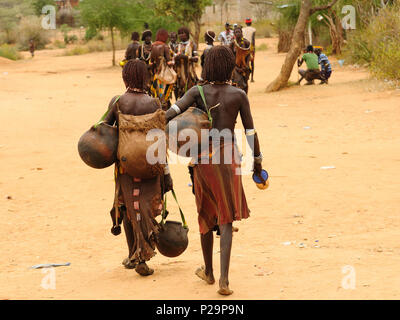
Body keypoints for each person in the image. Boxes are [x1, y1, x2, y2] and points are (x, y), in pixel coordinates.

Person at [165, 46, 265, 295]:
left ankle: (208, 272)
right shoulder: (238, 94)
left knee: (205, 214)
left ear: (207, 66)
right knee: (226, 217)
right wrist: (258, 161)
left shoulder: (196, 92)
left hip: (202, 160)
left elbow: (171, 113)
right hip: (229, 158)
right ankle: (224, 281)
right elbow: (250, 132)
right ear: (230, 67)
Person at [104, 59, 173, 276]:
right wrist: (167, 174)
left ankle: (132, 254)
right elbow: (161, 140)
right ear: (145, 77)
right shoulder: (154, 103)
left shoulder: (117, 102)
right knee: (147, 208)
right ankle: (144, 254)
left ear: (125, 78)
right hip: (151, 166)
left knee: (126, 207)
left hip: (125, 167)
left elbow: (104, 130)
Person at [149, 29, 174, 109]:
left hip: (155, 75)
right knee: (164, 97)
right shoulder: (165, 46)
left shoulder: (152, 46)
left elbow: (151, 62)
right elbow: (169, 63)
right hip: (164, 77)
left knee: (157, 95)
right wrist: (174, 61)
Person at [174, 26, 199, 98]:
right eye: (179, 33)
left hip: (189, 73)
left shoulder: (192, 44)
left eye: (183, 33)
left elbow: (196, 59)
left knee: (191, 90)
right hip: (179, 74)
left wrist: (186, 57)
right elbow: (173, 58)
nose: (181, 35)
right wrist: (176, 58)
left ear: (187, 34)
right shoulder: (177, 46)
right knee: (178, 90)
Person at [230, 26, 252, 94]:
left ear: (242, 33)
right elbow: (231, 56)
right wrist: (235, 67)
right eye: (236, 32)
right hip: (236, 67)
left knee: (245, 83)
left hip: (245, 67)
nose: (238, 33)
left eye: (239, 32)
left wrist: (247, 65)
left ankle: (245, 96)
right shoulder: (232, 44)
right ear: (234, 34)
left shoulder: (246, 42)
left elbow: (248, 55)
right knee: (236, 83)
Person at [242, 18, 256, 82]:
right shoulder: (253, 30)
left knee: (244, 61)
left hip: (244, 47)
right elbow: (253, 40)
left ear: (246, 23)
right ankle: (252, 78)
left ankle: (244, 76)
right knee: (252, 62)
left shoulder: (243, 30)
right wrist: (253, 48)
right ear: (251, 23)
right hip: (250, 47)